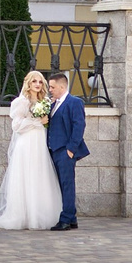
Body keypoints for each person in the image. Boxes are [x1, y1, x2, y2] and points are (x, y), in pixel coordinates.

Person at [0, 70, 61, 230]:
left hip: (39, 142)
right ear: (28, 83)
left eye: (40, 81)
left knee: (39, 174)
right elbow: (16, 126)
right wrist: (37, 122)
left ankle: (38, 214)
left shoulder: (45, 101)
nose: (37, 84)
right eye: (34, 81)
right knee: (26, 175)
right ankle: (23, 215)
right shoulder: (22, 101)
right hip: (27, 142)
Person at [44, 67, 90, 230]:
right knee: (61, 185)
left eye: (52, 87)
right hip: (53, 150)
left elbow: (79, 126)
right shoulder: (52, 104)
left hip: (65, 151)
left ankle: (65, 219)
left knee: (67, 184)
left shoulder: (74, 102)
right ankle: (72, 219)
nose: (50, 90)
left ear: (62, 87)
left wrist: (70, 149)